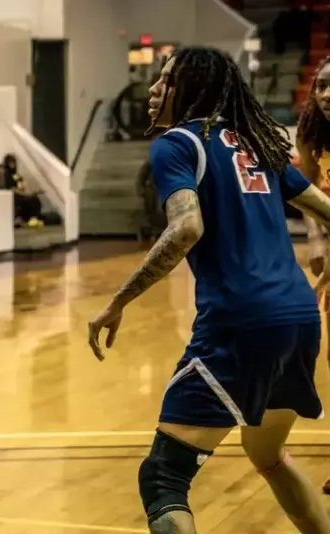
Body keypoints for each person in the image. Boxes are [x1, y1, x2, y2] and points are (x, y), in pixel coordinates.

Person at [88, 47, 330, 534]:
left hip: (241, 322)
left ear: (193, 89)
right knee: (268, 455)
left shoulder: (177, 144)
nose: (154, 89)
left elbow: (184, 230)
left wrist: (119, 301)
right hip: (301, 318)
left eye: (166, 80)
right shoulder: (257, 142)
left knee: (163, 478)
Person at [291, 56, 330, 498]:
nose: (327, 93)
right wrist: (316, 239)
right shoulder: (309, 134)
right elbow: (304, 192)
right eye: (321, 84)